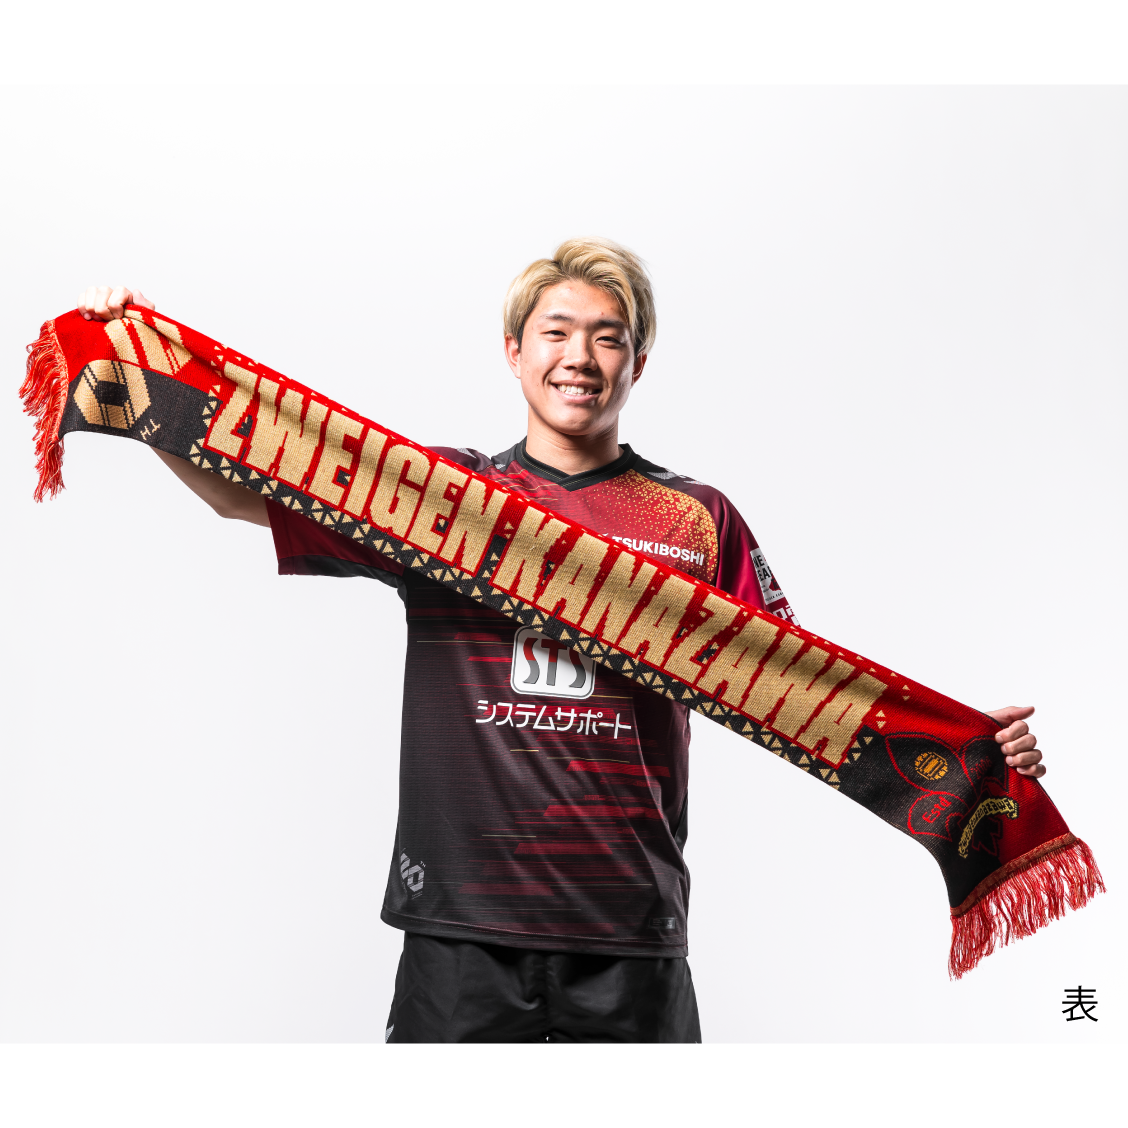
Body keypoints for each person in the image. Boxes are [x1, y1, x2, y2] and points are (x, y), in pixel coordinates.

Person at [76, 239, 1046, 1043]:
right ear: (514, 351)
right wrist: (141, 378)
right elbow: (246, 491)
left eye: (607, 337)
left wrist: (965, 746)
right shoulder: (440, 498)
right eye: (556, 332)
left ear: (637, 362)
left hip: (630, 932)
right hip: (460, 931)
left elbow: (801, 687)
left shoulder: (696, 520)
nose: (580, 357)